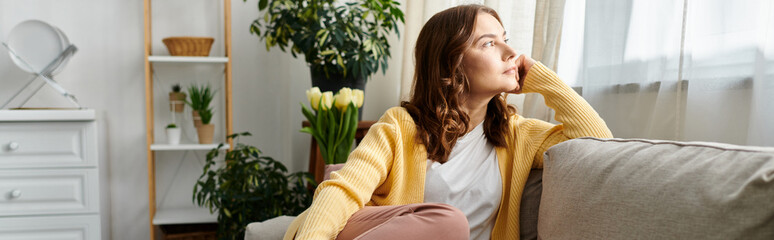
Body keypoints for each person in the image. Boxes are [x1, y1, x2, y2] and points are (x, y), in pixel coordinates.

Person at [284, 4, 613, 240]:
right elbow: (345, 189)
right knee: (449, 222)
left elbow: (597, 143)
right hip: (372, 229)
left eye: (505, 38)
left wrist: (543, 80)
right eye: (489, 43)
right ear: (452, 62)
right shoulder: (400, 125)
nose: (511, 52)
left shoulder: (518, 135)